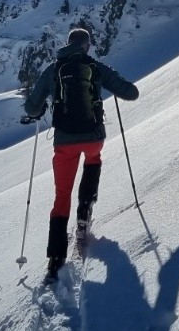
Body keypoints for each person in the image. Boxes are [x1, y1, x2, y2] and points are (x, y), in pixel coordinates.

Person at [22, 27, 139, 281]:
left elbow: (31, 108)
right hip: (93, 137)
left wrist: (42, 105)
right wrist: (114, 81)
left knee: (61, 195)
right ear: (87, 45)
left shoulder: (54, 70)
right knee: (93, 161)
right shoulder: (95, 66)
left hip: (64, 142)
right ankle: (85, 212)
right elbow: (131, 92)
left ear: (67, 44)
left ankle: (55, 258)